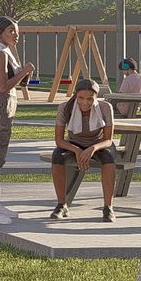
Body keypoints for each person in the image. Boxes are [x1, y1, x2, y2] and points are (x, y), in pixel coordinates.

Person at [0, 16, 35, 225]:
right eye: (11, 31)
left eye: (17, 31)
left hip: (6, 107)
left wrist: (23, 73)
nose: (16, 35)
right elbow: (2, 87)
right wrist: (23, 72)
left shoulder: (6, 52)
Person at [49, 77, 118, 221]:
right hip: (74, 144)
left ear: (96, 98)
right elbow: (59, 140)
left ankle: (108, 207)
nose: (85, 103)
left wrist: (92, 148)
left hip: (98, 144)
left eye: (90, 99)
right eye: (81, 98)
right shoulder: (64, 107)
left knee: (108, 157)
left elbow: (108, 139)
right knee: (57, 155)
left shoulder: (105, 107)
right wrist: (77, 150)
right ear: (75, 95)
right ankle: (62, 204)